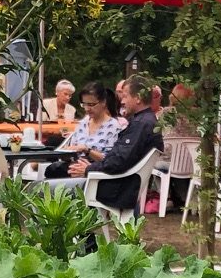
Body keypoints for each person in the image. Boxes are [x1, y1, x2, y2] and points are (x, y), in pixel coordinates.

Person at [65, 73, 160, 211]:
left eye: (125, 96)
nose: (121, 101)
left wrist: (88, 169)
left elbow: (117, 161)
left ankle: (79, 232)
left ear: (138, 98)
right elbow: (118, 159)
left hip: (114, 189)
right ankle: (82, 231)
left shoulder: (141, 125)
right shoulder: (146, 121)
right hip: (119, 185)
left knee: (44, 188)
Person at [44, 83, 125, 176]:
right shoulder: (83, 123)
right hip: (74, 168)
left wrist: (87, 150)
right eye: (84, 104)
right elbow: (72, 149)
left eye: (91, 104)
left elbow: (110, 161)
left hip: (95, 173)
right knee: (51, 170)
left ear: (103, 102)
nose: (87, 109)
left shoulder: (113, 127)